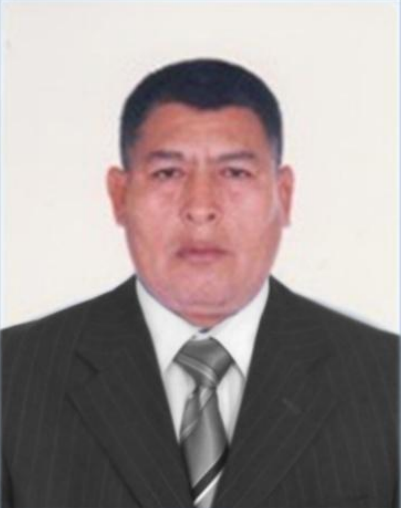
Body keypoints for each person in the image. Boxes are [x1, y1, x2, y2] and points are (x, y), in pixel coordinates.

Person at [1, 59, 398, 508]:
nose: (201, 207)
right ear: (120, 195)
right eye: (168, 173)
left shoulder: (387, 382)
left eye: (235, 172)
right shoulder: (13, 379)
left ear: (283, 195)